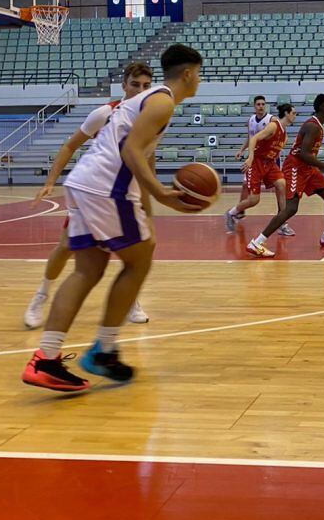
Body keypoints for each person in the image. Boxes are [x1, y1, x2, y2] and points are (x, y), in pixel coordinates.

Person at [21, 44, 204, 393]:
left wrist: (152, 199)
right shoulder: (162, 101)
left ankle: (46, 358)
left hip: (84, 183)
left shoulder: (150, 101)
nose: (200, 80)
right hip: (107, 187)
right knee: (140, 258)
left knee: (87, 270)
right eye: (200, 73)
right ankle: (104, 350)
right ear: (189, 73)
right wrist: (163, 194)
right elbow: (131, 150)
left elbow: (139, 154)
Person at [25, 62, 154, 329]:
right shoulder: (104, 113)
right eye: (135, 85)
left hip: (124, 195)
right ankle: (41, 296)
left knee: (134, 252)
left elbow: (147, 162)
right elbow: (70, 145)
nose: (141, 90)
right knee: (65, 248)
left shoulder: (150, 117)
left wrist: (148, 198)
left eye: (146, 86)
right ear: (124, 85)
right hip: (95, 192)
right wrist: (51, 181)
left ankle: (132, 300)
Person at [246, 94, 324, 257]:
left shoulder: (318, 125)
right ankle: (257, 242)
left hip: (308, 168)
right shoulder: (312, 126)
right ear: (322, 107)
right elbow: (304, 154)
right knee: (291, 208)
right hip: (296, 167)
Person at [224, 103, 299, 233]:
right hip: (257, 162)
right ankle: (231, 213)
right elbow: (254, 139)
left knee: (281, 184)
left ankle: (282, 222)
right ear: (286, 113)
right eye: (294, 113)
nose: (295, 116)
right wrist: (250, 157)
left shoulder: (284, 134)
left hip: (269, 164)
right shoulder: (273, 126)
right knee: (254, 200)